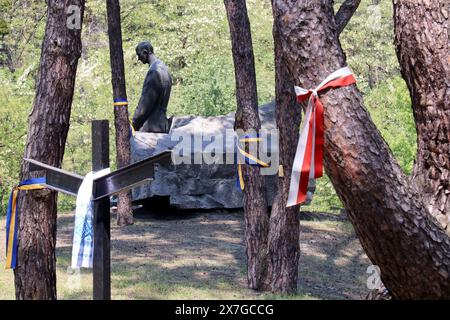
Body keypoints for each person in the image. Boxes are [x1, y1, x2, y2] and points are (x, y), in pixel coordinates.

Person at [132, 41, 172, 133]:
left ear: (145, 53)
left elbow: (144, 106)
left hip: (150, 127)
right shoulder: (165, 69)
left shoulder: (154, 72)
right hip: (162, 125)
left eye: (139, 55)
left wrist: (133, 123)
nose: (138, 58)